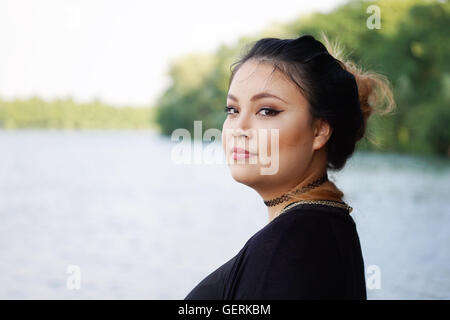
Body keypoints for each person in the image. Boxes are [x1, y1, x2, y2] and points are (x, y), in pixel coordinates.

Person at [184, 33, 395, 300]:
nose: (239, 128)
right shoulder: (321, 228)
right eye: (232, 110)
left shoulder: (293, 242)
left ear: (319, 130)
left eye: (267, 111)